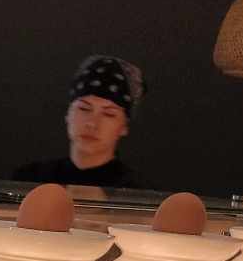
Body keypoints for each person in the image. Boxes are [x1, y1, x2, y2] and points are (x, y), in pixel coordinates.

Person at [14, 56, 145, 189]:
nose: (92, 123)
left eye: (108, 114)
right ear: (68, 113)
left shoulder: (137, 193)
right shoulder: (29, 181)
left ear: (124, 126)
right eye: (84, 108)